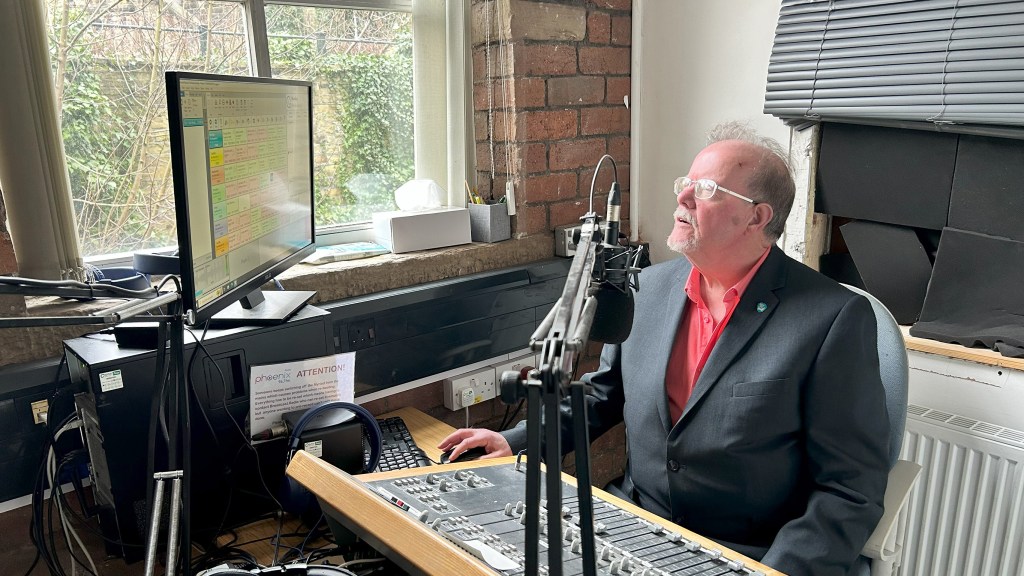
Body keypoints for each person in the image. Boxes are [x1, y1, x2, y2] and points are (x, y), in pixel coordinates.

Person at [438, 122, 890, 576]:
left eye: (707, 189)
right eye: (685, 184)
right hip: (634, 527)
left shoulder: (833, 319)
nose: (684, 199)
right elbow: (602, 396)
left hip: (747, 553)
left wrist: (777, 571)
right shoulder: (648, 290)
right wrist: (517, 442)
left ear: (757, 217)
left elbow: (849, 490)